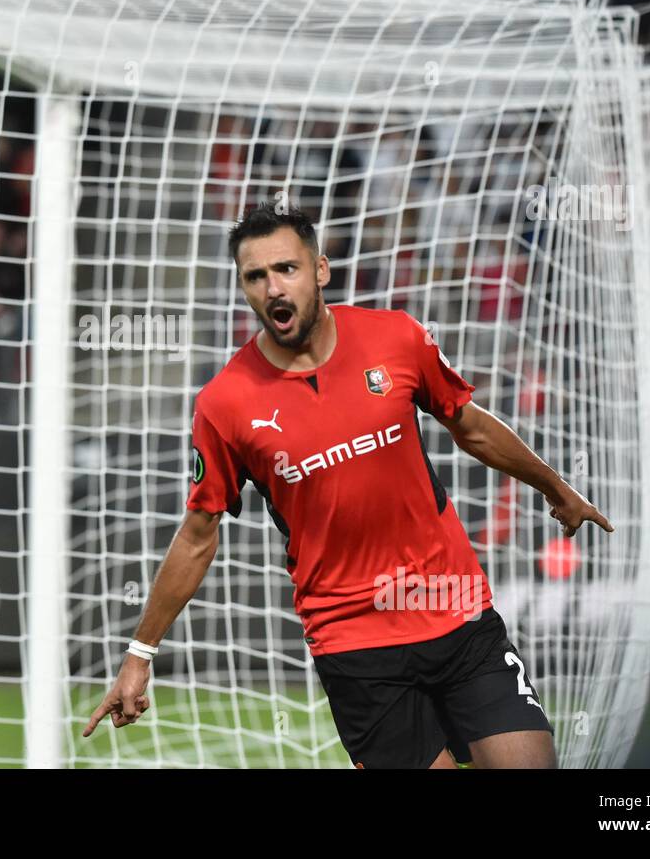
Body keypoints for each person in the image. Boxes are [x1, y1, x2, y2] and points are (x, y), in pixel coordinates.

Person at [83, 203, 612, 768]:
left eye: (285, 268)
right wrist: (140, 653)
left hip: (457, 613)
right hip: (356, 645)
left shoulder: (397, 338)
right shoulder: (224, 403)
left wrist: (555, 487)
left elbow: (472, 427)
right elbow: (197, 534)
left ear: (320, 270)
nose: (272, 288)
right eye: (255, 277)